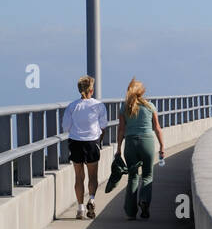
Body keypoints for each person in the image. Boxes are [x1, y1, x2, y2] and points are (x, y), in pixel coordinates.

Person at [116, 78, 165, 220]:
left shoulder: (124, 107)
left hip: (130, 143)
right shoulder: (150, 106)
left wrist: (119, 147)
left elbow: (121, 130)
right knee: (147, 175)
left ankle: (131, 212)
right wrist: (162, 146)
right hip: (147, 142)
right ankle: (144, 200)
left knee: (132, 177)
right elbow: (157, 128)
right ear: (142, 92)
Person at [62, 75, 108, 220]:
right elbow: (103, 126)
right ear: (91, 90)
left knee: (79, 176)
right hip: (92, 142)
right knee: (92, 176)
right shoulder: (98, 106)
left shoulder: (72, 106)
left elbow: (65, 127)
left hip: (75, 142)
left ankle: (80, 209)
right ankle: (92, 199)